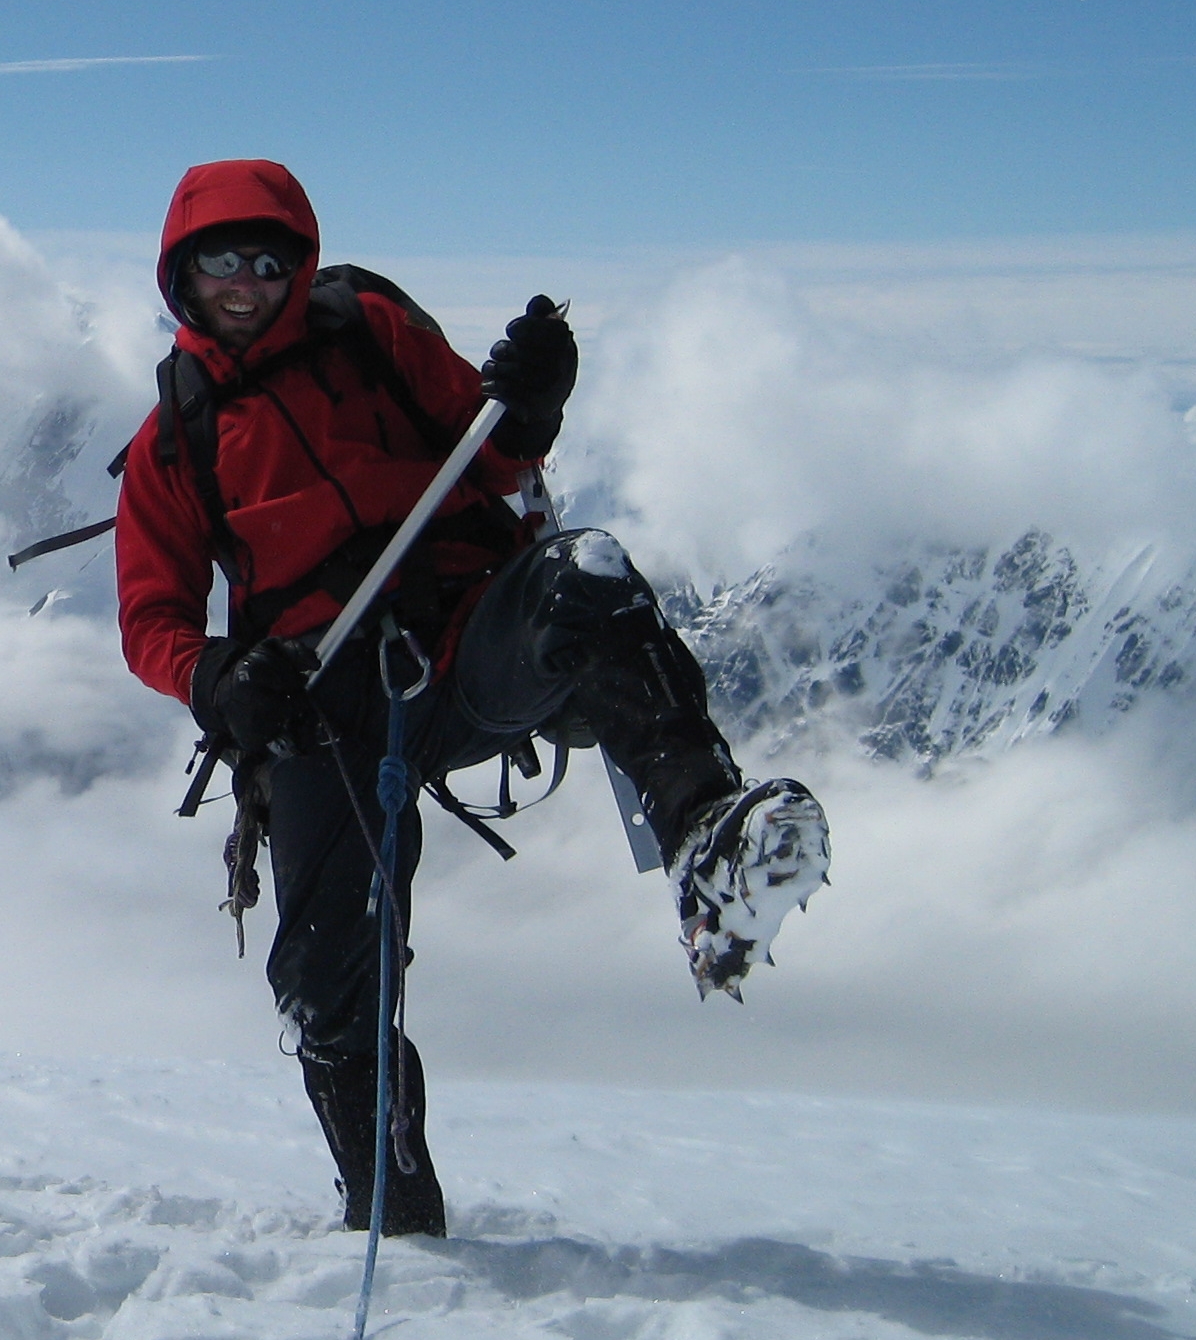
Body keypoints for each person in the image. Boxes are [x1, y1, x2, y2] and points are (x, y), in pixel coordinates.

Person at [114, 158, 828, 1236]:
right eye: (224, 262)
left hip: (455, 642)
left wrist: (531, 399)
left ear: (299, 259)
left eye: (270, 260)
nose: (249, 283)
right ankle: (393, 1209)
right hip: (319, 704)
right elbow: (149, 620)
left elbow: (491, 458)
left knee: (585, 579)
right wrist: (219, 678)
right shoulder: (177, 440)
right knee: (323, 980)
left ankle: (708, 836)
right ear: (184, 272)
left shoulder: (370, 332)